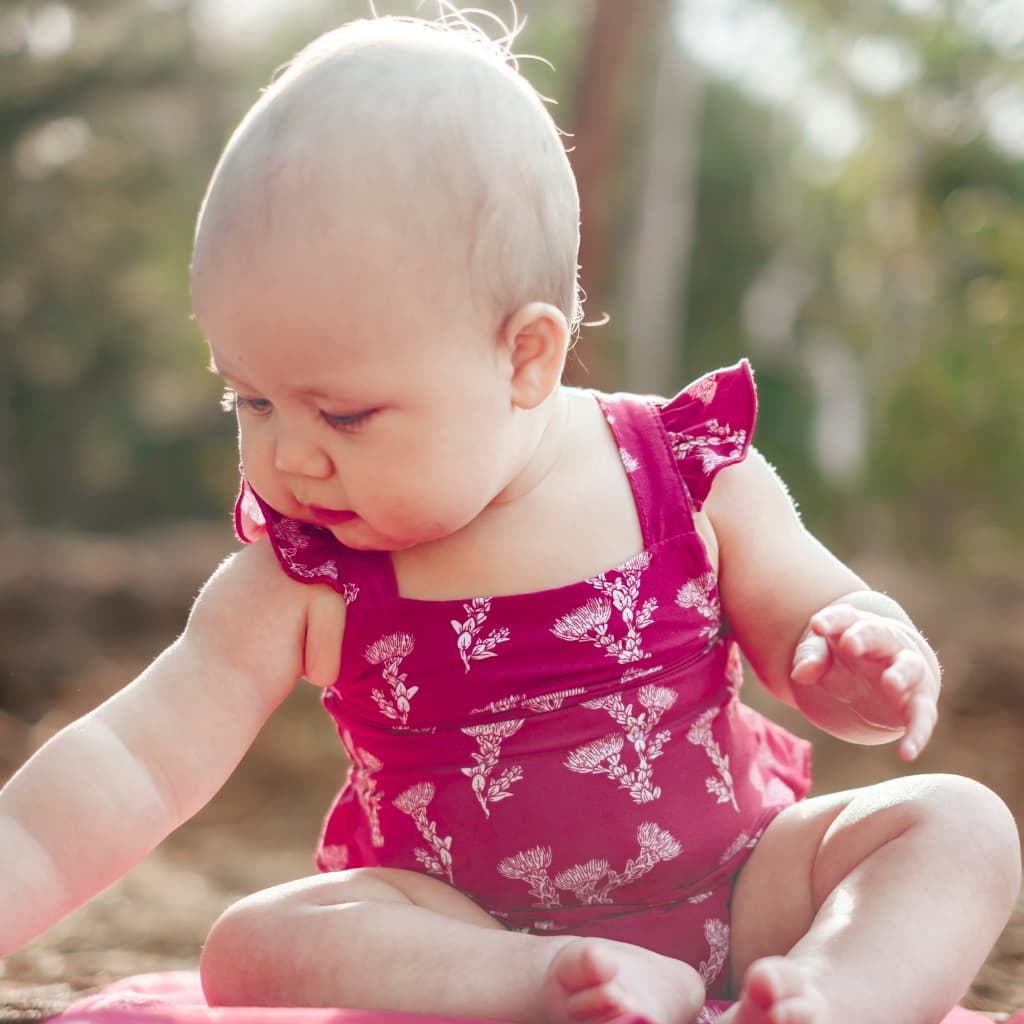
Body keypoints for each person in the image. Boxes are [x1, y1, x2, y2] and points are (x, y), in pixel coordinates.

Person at [1, 11, 1020, 1024]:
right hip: (461, 935)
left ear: (524, 356)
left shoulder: (680, 473)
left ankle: (831, 999)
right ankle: (557, 988)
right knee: (254, 943)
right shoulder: (309, 574)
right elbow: (132, 762)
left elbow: (813, 625)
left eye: (343, 411)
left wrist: (860, 661)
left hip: (745, 891)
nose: (287, 455)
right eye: (249, 400)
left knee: (957, 823)